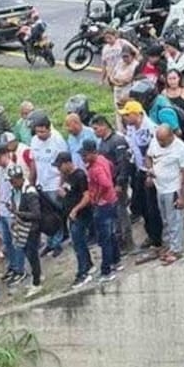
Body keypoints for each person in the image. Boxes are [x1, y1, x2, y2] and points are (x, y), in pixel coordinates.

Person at [146, 124, 184, 265]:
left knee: (174, 220)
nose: (160, 144)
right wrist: (150, 170)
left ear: (171, 136)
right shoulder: (155, 141)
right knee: (165, 219)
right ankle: (169, 245)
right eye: (159, 140)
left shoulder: (182, 149)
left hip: (173, 188)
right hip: (160, 187)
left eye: (163, 141)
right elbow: (148, 157)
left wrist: (182, 197)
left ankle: (176, 249)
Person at [90, 114, 136, 253]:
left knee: (121, 212)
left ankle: (128, 242)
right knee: (115, 213)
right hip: (109, 183)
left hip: (117, 182)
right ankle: (120, 241)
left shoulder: (117, 141)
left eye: (96, 128)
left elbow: (123, 163)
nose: (95, 132)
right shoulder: (103, 142)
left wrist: (120, 183)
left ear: (104, 126)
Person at [120, 100, 162, 250]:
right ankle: (151, 233)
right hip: (139, 170)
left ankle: (156, 237)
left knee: (152, 207)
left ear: (136, 114)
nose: (124, 118)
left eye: (127, 115)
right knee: (141, 205)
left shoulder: (149, 129)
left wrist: (151, 174)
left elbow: (153, 153)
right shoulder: (132, 128)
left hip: (151, 172)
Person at [78, 139, 121, 283]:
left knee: (105, 239)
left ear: (92, 153)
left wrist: (96, 196)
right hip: (111, 201)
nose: (83, 158)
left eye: (85, 155)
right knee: (111, 234)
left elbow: (106, 184)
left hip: (103, 205)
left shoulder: (95, 168)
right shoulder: (102, 159)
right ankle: (116, 261)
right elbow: (111, 168)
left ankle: (106, 270)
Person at [0, 134, 33, 284]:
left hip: (12, 212)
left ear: (7, 155)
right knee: (7, 243)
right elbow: (0, 189)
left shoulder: (13, 169)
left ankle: (20, 269)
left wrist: (16, 211)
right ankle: (13, 267)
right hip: (2, 210)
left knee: (17, 242)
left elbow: (17, 191)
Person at [28, 116, 67, 257]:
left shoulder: (57, 140)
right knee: (45, 216)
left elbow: (64, 164)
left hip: (54, 182)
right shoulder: (34, 141)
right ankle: (50, 242)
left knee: (56, 215)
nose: (40, 135)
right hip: (41, 184)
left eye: (43, 132)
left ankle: (57, 242)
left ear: (49, 129)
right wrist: (32, 182)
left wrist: (61, 184)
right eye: (38, 132)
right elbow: (34, 162)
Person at [55, 152, 93, 288]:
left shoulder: (79, 175)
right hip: (71, 214)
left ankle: (83, 272)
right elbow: (67, 192)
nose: (58, 169)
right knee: (78, 242)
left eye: (60, 166)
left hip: (81, 214)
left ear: (67, 163)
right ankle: (88, 264)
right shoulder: (67, 177)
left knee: (78, 243)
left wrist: (75, 209)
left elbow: (87, 196)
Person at [7, 164, 44, 294]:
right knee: (29, 254)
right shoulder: (15, 191)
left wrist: (18, 213)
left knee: (32, 254)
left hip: (31, 228)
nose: (11, 183)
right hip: (22, 228)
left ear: (18, 179)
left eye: (12, 181)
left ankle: (37, 282)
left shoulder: (29, 192)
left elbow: (36, 214)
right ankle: (37, 276)